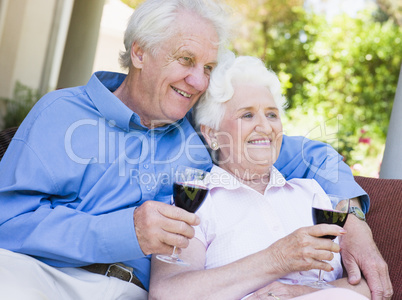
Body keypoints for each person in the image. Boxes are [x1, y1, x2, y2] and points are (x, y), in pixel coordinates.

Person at [0, 0, 392, 299]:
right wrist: (126, 231)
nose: (199, 81)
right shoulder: (62, 114)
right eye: (186, 60)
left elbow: (312, 156)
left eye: (208, 67)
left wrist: (354, 223)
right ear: (139, 53)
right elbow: (7, 220)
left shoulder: (202, 133)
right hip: (46, 275)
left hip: (129, 291)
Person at [149, 53, 372, 299]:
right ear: (212, 134)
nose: (265, 127)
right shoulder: (196, 202)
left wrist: (298, 291)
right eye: (247, 115)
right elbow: (165, 293)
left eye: (272, 114)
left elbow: (365, 286)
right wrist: (276, 259)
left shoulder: (312, 194)